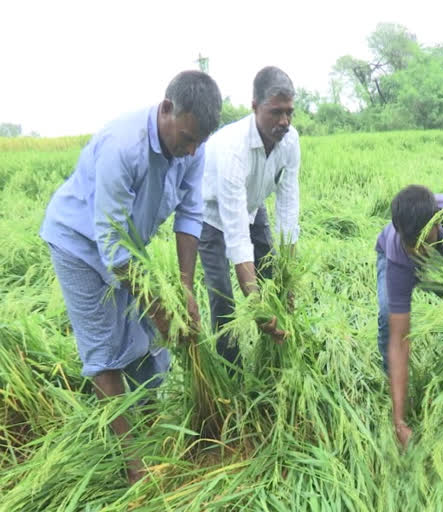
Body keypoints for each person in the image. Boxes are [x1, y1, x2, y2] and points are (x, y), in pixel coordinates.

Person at [40, 70, 222, 484]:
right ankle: (135, 465)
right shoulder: (124, 147)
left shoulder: (194, 148)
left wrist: (183, 289)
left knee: (152, 344)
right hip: (79, 244)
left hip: (128, 247)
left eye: (199, 142)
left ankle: (153, 428)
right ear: (167, 110)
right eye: (186, 139)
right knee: (105, 349)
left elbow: (190, 214)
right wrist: (157, 305)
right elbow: (110, 243)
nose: (191, 151)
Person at [199, 66, 300, 369]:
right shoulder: (233, 148)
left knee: (273, 277)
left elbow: (287, 208)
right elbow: (235, 234)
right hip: (213, 216)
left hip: (254, 206)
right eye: (275, 112)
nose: (283, 121)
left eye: (289, 112)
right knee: (223, 297)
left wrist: (289, 276)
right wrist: (254, 302)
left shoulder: (291, 140)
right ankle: (232, 368)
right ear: (254, 107)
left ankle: (274, 356)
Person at [376, 185, 443, 448]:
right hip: (395, 263)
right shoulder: (398, 252)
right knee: (387, 316)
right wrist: (399, 421)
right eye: (412, 243)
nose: (418, 251)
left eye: (424, 241)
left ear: (437, 222)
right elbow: (400, 337)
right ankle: (392, 381)